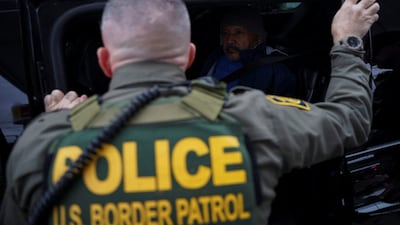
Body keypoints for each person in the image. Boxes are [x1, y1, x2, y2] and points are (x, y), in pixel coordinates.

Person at [0, 0, 379, 224]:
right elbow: (350, 121)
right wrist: (347, 41)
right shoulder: (251, 117)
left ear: (104, 61)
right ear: (189, 57)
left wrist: (54, 123)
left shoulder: (44, 142)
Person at [200, 8, 298, 97]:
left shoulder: (274, 67)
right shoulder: (214, 57)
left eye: (238, 32)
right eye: (225, 33)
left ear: (258, 39)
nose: (229, 40)